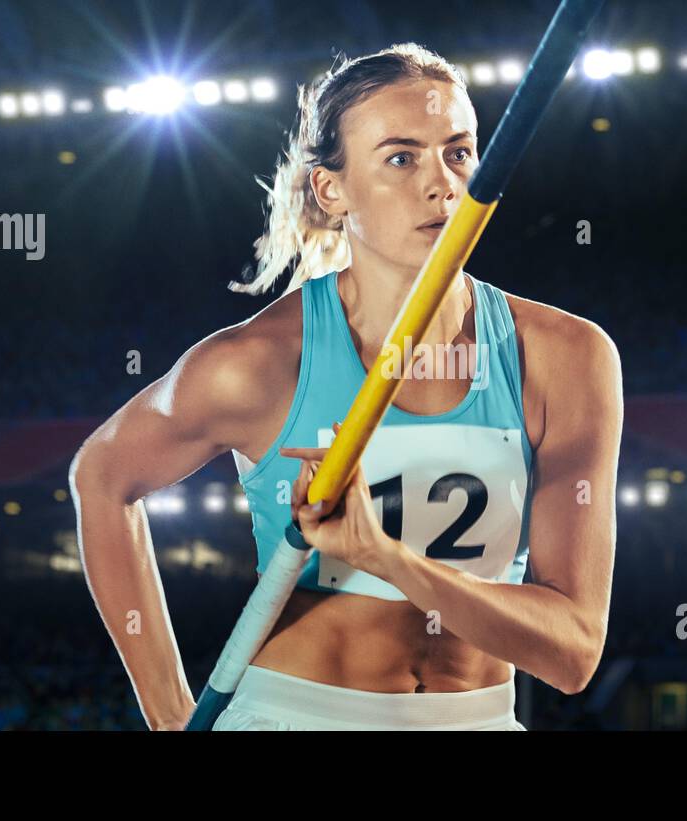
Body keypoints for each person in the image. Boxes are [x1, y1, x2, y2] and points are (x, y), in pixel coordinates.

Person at [70, 42, 623, 731]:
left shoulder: (566, 358)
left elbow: (571, 653)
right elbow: (101, 474)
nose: (442, 185)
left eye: (458, 152)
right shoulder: (261, 362)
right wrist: (168, 713)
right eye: (401, 157)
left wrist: (380, 555)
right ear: (332, 190)